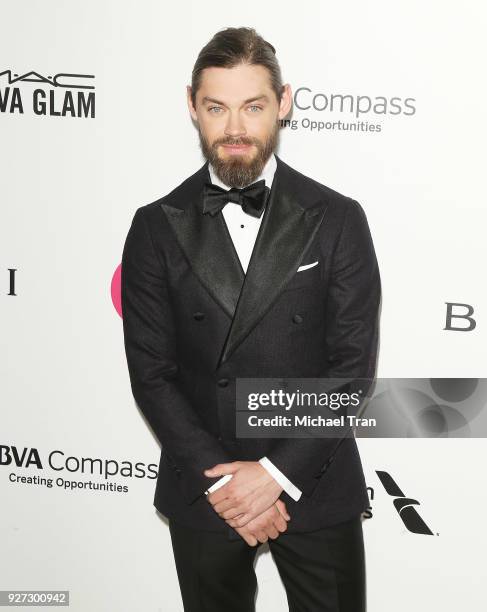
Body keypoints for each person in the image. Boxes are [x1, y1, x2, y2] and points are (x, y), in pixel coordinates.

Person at [121, 26, 381, 612]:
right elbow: (152, 374)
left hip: (314, 476)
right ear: (192, 106)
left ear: (283, 103)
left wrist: (273, 474)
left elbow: (352, 371)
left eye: (253, 106)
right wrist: (228, 482)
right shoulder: (155, 226)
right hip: (206, 486)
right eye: (216, 107)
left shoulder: (337, 217)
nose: (235, 128)